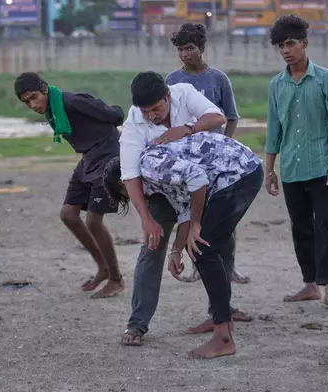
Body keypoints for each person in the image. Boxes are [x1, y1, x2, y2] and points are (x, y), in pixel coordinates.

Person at [117, 71, 253, 346]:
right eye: (147, 112)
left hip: (202, 185)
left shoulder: (183, 92)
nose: (153, 116)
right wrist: (146, 219)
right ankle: (137, 324)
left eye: (157, 108)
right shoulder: (133, 124)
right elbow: (130, 175)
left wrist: (187, 129)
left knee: (213, 244)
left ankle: (219, 314)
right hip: (161, 187)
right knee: (152, 247)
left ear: (167, 96)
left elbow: (217, 118)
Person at [103, 131, 264, 359]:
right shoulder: (155, 179)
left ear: (125, 181)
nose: (139, 199)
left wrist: (198, 223)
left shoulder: (150, 165)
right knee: (201, 248)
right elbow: (186, 210)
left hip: (238, 173)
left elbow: (197, 178)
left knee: (203, 249)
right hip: (238, 173)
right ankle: (223, 325)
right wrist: (176, 250)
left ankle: (223, 336)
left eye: (126, 193)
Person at [14, 72, 125, 299]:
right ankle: (102, 267)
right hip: (88, 159)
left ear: (44, 88)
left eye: (34, 97)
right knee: (68, 214)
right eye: (27, 102)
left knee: (93, 220)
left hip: (109, 157)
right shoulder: (53, 111)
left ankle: (116, 279)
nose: (33, 105)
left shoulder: (72, 102)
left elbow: (116, 115)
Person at [265, 15, 328, 306]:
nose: (286, 50)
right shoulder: (276, 85)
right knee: (300, 227)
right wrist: (269, 169)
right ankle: (310, 284)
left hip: (322, 166)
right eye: (281, 46)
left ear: (304, 44)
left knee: (326, 225)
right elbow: (274, 129)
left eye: (291, 44)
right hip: (291, 169)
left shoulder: (327, 79)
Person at [165, 22, 249, 285]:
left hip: (217, 159)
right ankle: (197, 267)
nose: (184, 54)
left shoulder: (218, 79)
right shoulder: (172, 80)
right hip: (187, 160)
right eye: (180, 50)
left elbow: (231, 117)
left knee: (226, 215)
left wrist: (224, 147)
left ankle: (229, 266)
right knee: (192, 213)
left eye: (189, 48)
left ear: (201, 48)